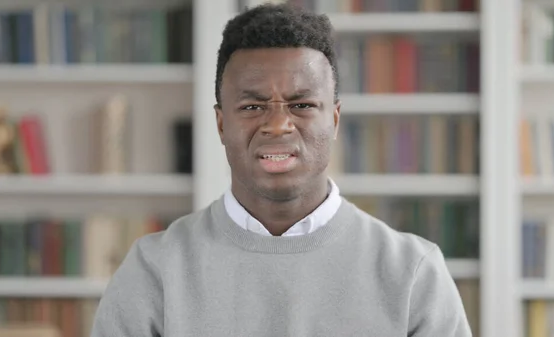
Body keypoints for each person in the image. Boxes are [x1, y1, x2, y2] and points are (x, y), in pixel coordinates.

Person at [90, 3, 472, 336]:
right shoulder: (154, 269)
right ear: (221, 124)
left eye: (302, 105)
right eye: (253, 107)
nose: (277, 125)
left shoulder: (413, 273)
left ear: (335, 119)